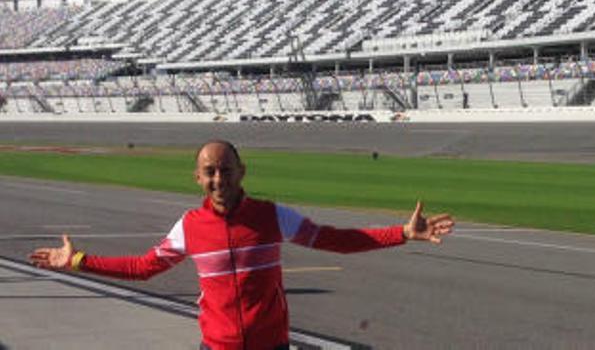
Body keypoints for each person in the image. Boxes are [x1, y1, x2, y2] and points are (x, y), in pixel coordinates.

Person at [29, 140, 455, 350]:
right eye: (210, 172)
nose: (219, 179)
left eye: (226, 170)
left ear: (242, 171)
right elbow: (143, 267)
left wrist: (400, 233)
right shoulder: (190, 226)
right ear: (197, 178)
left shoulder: (271, 216)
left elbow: (333, 240)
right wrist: (79, 260)